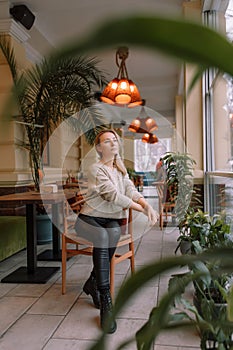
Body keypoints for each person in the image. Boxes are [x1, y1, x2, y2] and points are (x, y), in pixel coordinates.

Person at [75, 129, 158, 334]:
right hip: (88, 219)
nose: (112, 143)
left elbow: (130, 190)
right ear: (99, 147)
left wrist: (146, 204)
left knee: (112, 233)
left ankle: (93, 281)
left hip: (110, 219)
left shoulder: (120, 170)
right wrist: (143, 209)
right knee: (104, 236)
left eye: (115, 140)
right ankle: (105, 297)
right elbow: (111, 195)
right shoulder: (96, 168)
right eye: (107, 141)